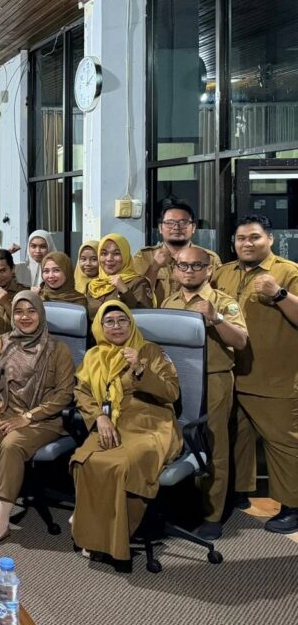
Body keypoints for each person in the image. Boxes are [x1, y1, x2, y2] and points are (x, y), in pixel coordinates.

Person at [71, 302, 182, 568]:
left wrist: (141, 369)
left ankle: (116, 538)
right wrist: (98, 417)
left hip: (151, 424)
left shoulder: (150, 351)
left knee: (122, 465)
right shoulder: (93, 356)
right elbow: (81, 392)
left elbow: (172, 392)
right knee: (84, 460)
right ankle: (95, 531)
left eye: (123, 320)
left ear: (131, 324)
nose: (117, 326)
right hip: (112, 423)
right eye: (109, 321)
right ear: (100, 326)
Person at [211, 214, 298, 533]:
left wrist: (279, 294)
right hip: (231, 373)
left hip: (274, 376)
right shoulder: (223, 272)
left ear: (270, 239)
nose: (247, 243)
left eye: (254, 237)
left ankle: (293, 506)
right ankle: (239, 492)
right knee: (237, 439)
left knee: (283, 444)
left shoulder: (288, 272)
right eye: (241, 238)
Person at [0, 291, 75, 546]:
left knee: (11, 445)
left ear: (41, 314)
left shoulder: (58, 349)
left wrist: (29, 416)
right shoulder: (4, 341)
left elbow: (65, 394)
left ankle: (2, 522)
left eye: (31, 311)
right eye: (18, 312)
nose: (25, 317)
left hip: (43, 417)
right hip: (5, 411)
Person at [164, 247, 247, 540]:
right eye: (183, 266)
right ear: (175, 270)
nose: (189, 271)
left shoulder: (223, 301)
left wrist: (216, 318)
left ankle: (213, 514)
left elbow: (241, 341)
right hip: (177, 381)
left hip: (214, 379)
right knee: (179, 439)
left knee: (214, 444)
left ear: (209, 269)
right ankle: (184, 505)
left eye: (196, 266)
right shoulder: (169, 302)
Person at [133, 199, 221, 306]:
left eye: (183, 223)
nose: (176, 227)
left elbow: (218, 297)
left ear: (193, 228)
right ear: (160, 228)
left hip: (194, 314)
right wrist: (154, 267)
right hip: (154, 315)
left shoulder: (209, 258)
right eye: (170, 223)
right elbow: (136, 297)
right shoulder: (144, 256)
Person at [85, 234, 155, 322]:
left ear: (125, 255)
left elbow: (146, 319)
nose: (109, 259)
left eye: (116, 253)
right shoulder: (93, 286)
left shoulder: (138, 283)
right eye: (104, 253)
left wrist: (124, 290)